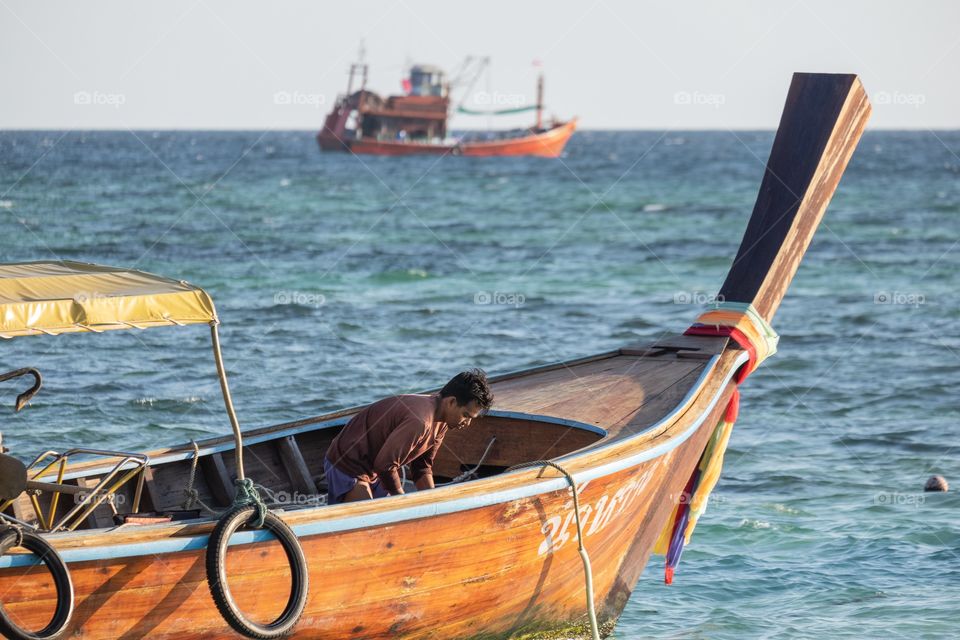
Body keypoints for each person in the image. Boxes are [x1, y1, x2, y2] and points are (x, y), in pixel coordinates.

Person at [324, 369, 494, 504]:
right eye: (466, 415)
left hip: (374, 471)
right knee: (368, 524)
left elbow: (422, 467)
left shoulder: (442, 423)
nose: (467, 423)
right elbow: (385, 465)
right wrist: (402, 500)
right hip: (347, 465)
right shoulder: (420, 421)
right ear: (451, 402)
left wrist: (434, 503)